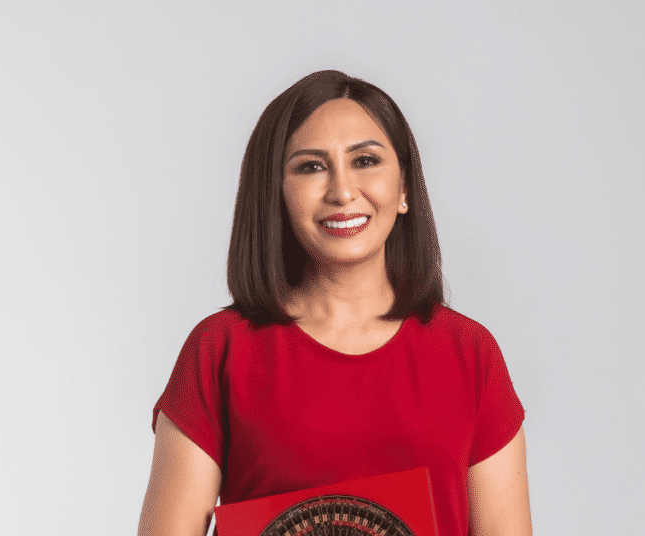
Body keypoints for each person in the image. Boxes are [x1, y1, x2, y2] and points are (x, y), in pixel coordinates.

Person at [138, 70, 531, 536]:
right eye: (310, 166)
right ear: (277, 194)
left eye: (366, 161)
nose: (342, 191)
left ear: (404, 189)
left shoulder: (469, 353)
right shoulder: (221, 350)